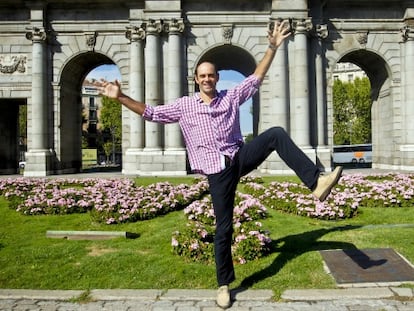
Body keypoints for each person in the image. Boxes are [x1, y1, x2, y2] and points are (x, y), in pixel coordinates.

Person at [96, 19, 342, 309]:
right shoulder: (185, 106)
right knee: (224, 228)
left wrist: (272, 47)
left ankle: (316, 182)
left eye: (211, 75)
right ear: (196, 79)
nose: (207, 79)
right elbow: (151, 113)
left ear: (217, 77)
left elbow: (256, 78)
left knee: (275, 134)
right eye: (202, 76)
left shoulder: (230, 97)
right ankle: (223, 285)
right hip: (217, 171)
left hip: (238, 157)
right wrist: (121, 96)